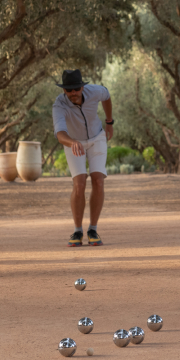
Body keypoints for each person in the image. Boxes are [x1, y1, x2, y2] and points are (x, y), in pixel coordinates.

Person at [52, 69, 114, 247]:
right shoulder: (59, 105)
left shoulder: (94, 91)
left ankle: (93, 229)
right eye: (69, 90)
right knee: (79, 184)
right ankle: (77, 230)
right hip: (73, 142)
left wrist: (109, 122)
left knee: (98, 180)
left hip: (97, 138)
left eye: (77, 88)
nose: (74, 93)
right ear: (64, 90)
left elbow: (107, 95)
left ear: (82, 87)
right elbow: (60, 133)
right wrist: (72, 142)